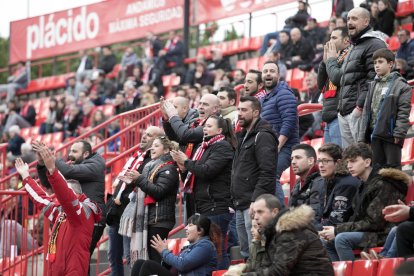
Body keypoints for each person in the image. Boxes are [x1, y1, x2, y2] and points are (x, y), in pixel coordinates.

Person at [14, 146, 100, 275]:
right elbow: (41, 200)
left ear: (75, 193)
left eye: (65, 191)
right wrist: (25, 175)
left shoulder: (83, 211)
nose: (59, 195)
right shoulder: (60, 212)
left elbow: (65, 194)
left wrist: (53, 169)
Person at [320, 143, 409, 261]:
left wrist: (337, 230)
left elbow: (375, 223)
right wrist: (333, 230)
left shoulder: (383, 184)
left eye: (353, 161)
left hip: (383, 234)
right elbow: (355, 217)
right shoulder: (363, 183)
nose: (349, 166)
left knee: (342, 239)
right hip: (371, 232)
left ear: (367, 162)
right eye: (347, 162)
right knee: (326, 241)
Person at [171, 115, 235, 269]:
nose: (205, 128)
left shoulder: (223, 146)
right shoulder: (203, 147)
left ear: (220, 130)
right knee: (211, 249)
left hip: (217, 204)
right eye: (205, 126)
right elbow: (194, 173)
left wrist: (186, 161)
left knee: (218, 249)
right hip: (204, 204)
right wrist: (183, 167)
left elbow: (207, 171)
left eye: (209, 126)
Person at [35, 140, 106, 258]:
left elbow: (68, 171)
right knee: (74, 259)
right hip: (74, 219)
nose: (70, 155)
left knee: (79, 259)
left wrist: (51, 158)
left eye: (74, 151)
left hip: (91, 220)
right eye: (70, 151)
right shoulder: (76, 165)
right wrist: (42, 163)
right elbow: (47, 183)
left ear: (86, 154)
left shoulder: (96, 165)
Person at [107, 126, 163, 275]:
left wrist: (124, 198)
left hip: (130, 214)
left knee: (129, 256)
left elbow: (143, 186)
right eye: (144, 133)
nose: (144, 136)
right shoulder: (136, 156)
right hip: (116, 213)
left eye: (149, 135)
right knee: (113, 256)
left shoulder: (153, 161)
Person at [234, 194, 334, 275]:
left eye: (260, 212)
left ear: (274, 212)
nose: (255, 217)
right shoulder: (275, 233)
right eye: (254, 213)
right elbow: (266, 266)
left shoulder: (290, 231)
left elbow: (279, 271)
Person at [120, 136, 179, 265]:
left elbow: (158, 192)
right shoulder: (151, 167)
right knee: (151, 260)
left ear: (166, 150)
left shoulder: (169, 169)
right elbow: (146, 188)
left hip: (159, 220)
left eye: (156, 145)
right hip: (151, 219)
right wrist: (132, 182)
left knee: (155, 261)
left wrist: (139, 179)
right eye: (152, 145)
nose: (152, 148)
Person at [231, 96, 277, 258]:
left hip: (253, 204)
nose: (239, 114)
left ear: (256, 112)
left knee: (258, 250)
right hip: (240, 203)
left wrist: (256, 200)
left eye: (244, 110)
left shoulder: (263, 136)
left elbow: (268, 172)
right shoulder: (242, 135)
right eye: (238, 109)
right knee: (246, 252)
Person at [337, 7, 387, 148]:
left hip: (359, 111)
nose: (349, 22)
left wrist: (359, 106)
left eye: (354, 19)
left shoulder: (374, 43)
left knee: (363, 156)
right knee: (351, 159)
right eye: (348, 19)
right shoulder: (353, 46)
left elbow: (375, 79)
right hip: (345, 111)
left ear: (366, 21)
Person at [357, 48, 412, 168]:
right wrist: (361, 137)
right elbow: (366, 112)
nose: (376, 65)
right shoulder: (372, 85)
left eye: (380, 62)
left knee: (393, 169)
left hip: (390, 134)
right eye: (375, 63)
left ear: (391, 64)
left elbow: (403, 111)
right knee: (377, 169)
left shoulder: (401, 85)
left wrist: (399, 132)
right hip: (374, 133)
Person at [131, 214, 220, 276]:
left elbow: (183, 265)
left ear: (200, 230)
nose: (186, 228)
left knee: (148, 265)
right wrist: (166, 255)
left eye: (190, 225)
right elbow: (174, 267)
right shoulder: (189, 247)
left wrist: (164, 252)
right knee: (139, 263)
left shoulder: (205, 246)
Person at [261, 61, 299, 206]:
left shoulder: (283, 93)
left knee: (270, 175)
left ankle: (281, 214)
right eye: (265, 71)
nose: (268, 74)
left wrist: (277, 146)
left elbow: (289, 122)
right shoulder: (266, 97)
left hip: (285, 147)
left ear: (278, 75)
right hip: (271, 147)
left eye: (272, 71)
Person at [318, 26, 350, 147]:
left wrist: (331, 61)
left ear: (346, 41)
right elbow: (321, 85)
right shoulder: (333, 57)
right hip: (329, 115)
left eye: (334, 38)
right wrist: (324, 62)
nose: (330, 41)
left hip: (339, 114)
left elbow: (337, 79)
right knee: (329, 157)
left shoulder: (349, 56)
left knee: (338, 157)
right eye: (330, 38)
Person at [315, 143, 359, 231]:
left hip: (342, 232)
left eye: (325, 161)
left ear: (338, 162)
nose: (320, 165)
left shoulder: (345, 184)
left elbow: (336, 221)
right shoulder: (329, 180)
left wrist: (306, 229)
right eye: (319, 161)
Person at [289, 144, 324, 218]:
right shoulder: (299, 183)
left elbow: (315, 216)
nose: (293, 162)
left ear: (310, 161)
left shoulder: (319, 181)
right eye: (292, 158)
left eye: (298, 158)